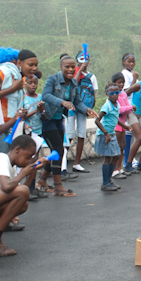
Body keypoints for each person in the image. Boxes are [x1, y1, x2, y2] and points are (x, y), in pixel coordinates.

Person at [37, 55, 97, 197]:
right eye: (67, 67)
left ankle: (42, 181)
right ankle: (58, 187)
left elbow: (77, 102)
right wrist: (62, 102)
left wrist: (86, 109)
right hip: (48, 119)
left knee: (56, 152)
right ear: (61, 67)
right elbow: (45, 96)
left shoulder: (74, 84)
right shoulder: (53, 79)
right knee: (58, 151)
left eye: (72, 67)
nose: (70, 69)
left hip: (59, 120)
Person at [0, 48, 39, 155]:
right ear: (19, 63)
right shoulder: (4, 72)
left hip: (7, 127)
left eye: (36, 65)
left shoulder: (20, 78)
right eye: (30, 65)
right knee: (2, 159)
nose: (34, 68)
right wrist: (13, 88)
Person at [94, 83, 131, 191]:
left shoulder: (116, 105)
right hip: (105, 135)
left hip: (111, 134)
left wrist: (124, 125)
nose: (115, 95)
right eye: (112, 93)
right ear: (107, 94)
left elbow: (115, 118)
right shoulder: (107, 106)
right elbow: (97, 120)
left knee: (115, 156)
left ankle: (109, 180)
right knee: (108, 158)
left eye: (117, 93)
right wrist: (105, 133)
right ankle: (105, 183)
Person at [67, 51, 98, 174]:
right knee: (69, 134)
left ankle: (77, 163)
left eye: (86, 59)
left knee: (81, 133)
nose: (84, 62)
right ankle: (62, 163)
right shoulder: (72, 73)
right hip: (71, 106)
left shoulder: (91, 77)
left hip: (83, 107)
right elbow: (73, 82)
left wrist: (89, 107)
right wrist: (79, 70)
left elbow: (94, 93)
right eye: (81, 59)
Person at [110, 73, 135, 179]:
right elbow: (120, 110)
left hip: (123, 124)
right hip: (116, 124)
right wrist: (131, 108)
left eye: (122, 83)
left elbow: (125, 107)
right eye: (119, 82)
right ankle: (114, 170)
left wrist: (129, 107)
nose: (121, 85)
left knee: (122, 146)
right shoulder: (113, 95)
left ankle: (119, 168)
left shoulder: (123, 94)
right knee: (116, 148)